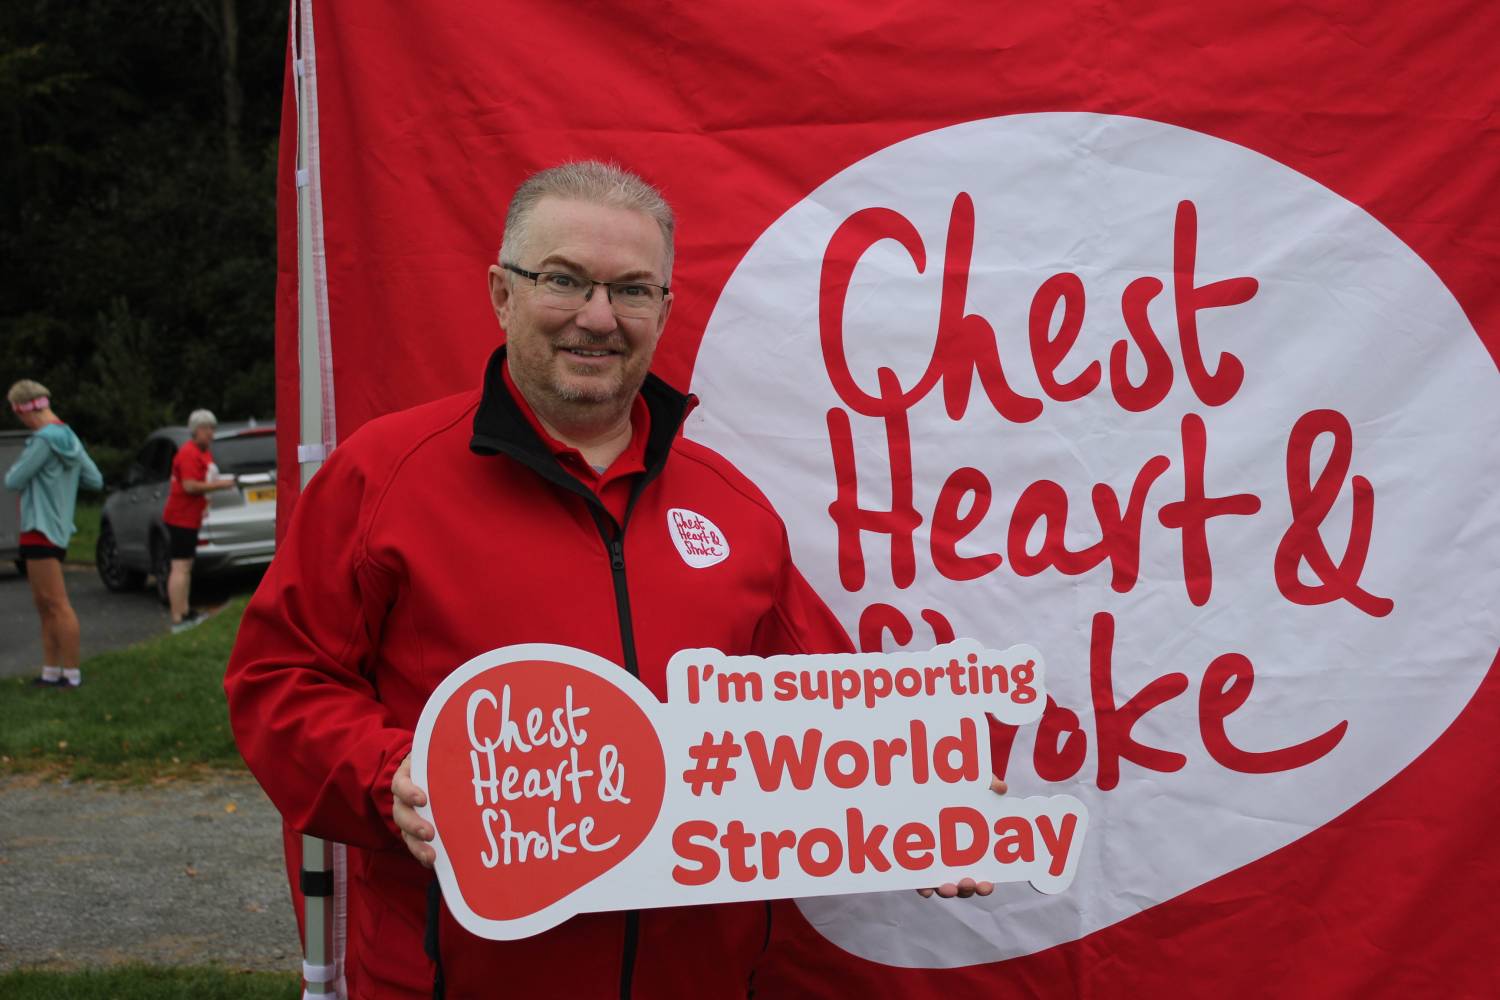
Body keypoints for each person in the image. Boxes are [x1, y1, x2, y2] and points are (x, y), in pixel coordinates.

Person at [225, 162, 999, 1000]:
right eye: (563, 279)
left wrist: (917, 797)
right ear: (502, 293)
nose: (598, 317)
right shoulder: (384, 476)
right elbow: (279, 680)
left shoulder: (732, 508)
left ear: (662, 311)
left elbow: (823, 717)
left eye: (632, 290)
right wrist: (392, 778)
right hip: (460, 976)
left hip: (697, 979)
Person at [5, 380, 103, 688]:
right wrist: (62, 484)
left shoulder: (43, 440)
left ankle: (71, 674)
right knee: (45, 605)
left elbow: (13, 480)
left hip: (39, 528)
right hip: (58, 529)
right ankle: (51, 671)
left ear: (23, 410)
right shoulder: (69, 437)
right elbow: (94, 479)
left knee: (56, 604)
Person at [162, 408, 236, 633]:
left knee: (187, 566)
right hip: (180, 518)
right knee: (180, 566)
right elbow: (190, 485)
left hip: (192, 517)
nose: (211, 433)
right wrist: (221, 485)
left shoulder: (204, 453)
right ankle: (178, 617)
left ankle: (186, 611)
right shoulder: (188, 453)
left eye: (213, 428)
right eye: (207, 429)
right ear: (196, 430)